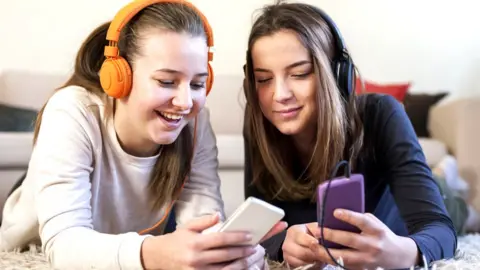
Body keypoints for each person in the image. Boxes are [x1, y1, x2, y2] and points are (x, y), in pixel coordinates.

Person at [0, 1, 285, 269]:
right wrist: (154, 253)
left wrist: (225, 254)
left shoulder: (195, 123)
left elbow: (202, 220)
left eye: (198, 83)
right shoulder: (72, 110)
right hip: (33, 241)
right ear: (118, 76)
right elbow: (62, 245)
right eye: (166, 81)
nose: (186, 102)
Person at [242, 1, 457, 269]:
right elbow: (260, 235)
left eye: (299, 73)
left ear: (337, 74)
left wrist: (403, 252)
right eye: (263, 79)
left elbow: (440, 229)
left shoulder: (381, 113)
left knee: (458, 208)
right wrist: (283, 242)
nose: (280, 95)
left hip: (426, 200)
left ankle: (448, 179)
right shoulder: (259, 124)